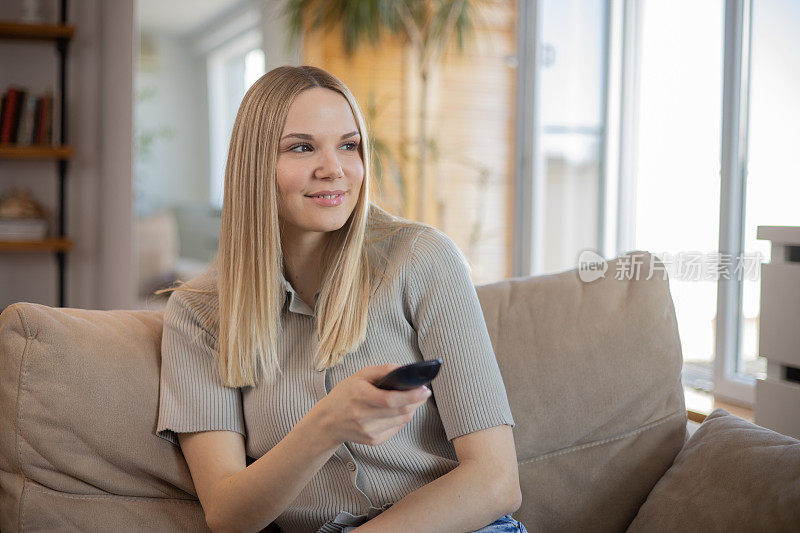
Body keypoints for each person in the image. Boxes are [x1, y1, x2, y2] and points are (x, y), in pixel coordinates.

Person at [155, 65, 525, 533]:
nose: (334, 169)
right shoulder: (199, 315)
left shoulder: (422, 259)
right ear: (254, 166)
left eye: (349, 146)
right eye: (302, 147)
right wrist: (326, 425)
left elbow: (495, 481)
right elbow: (228, 514)